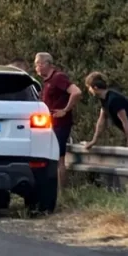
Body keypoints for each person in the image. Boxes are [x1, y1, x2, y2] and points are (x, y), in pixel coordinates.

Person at [34, 52, 82, 190]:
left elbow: (76, 92)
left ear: (44, 64)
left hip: (60, 125)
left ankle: (62, 192)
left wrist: (65, 110)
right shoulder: (46, 82)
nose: (36, 67)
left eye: (37, 64)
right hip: (49, 125)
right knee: (51, 159)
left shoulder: (58, 77)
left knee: (59, 158)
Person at [81, 72, 128, 149]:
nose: (89, 90)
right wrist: (94, 141)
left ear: (95, 88)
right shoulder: (104, 100)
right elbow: (101, 122)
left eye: (89, 87)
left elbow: (125, 121)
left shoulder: (114, 100)